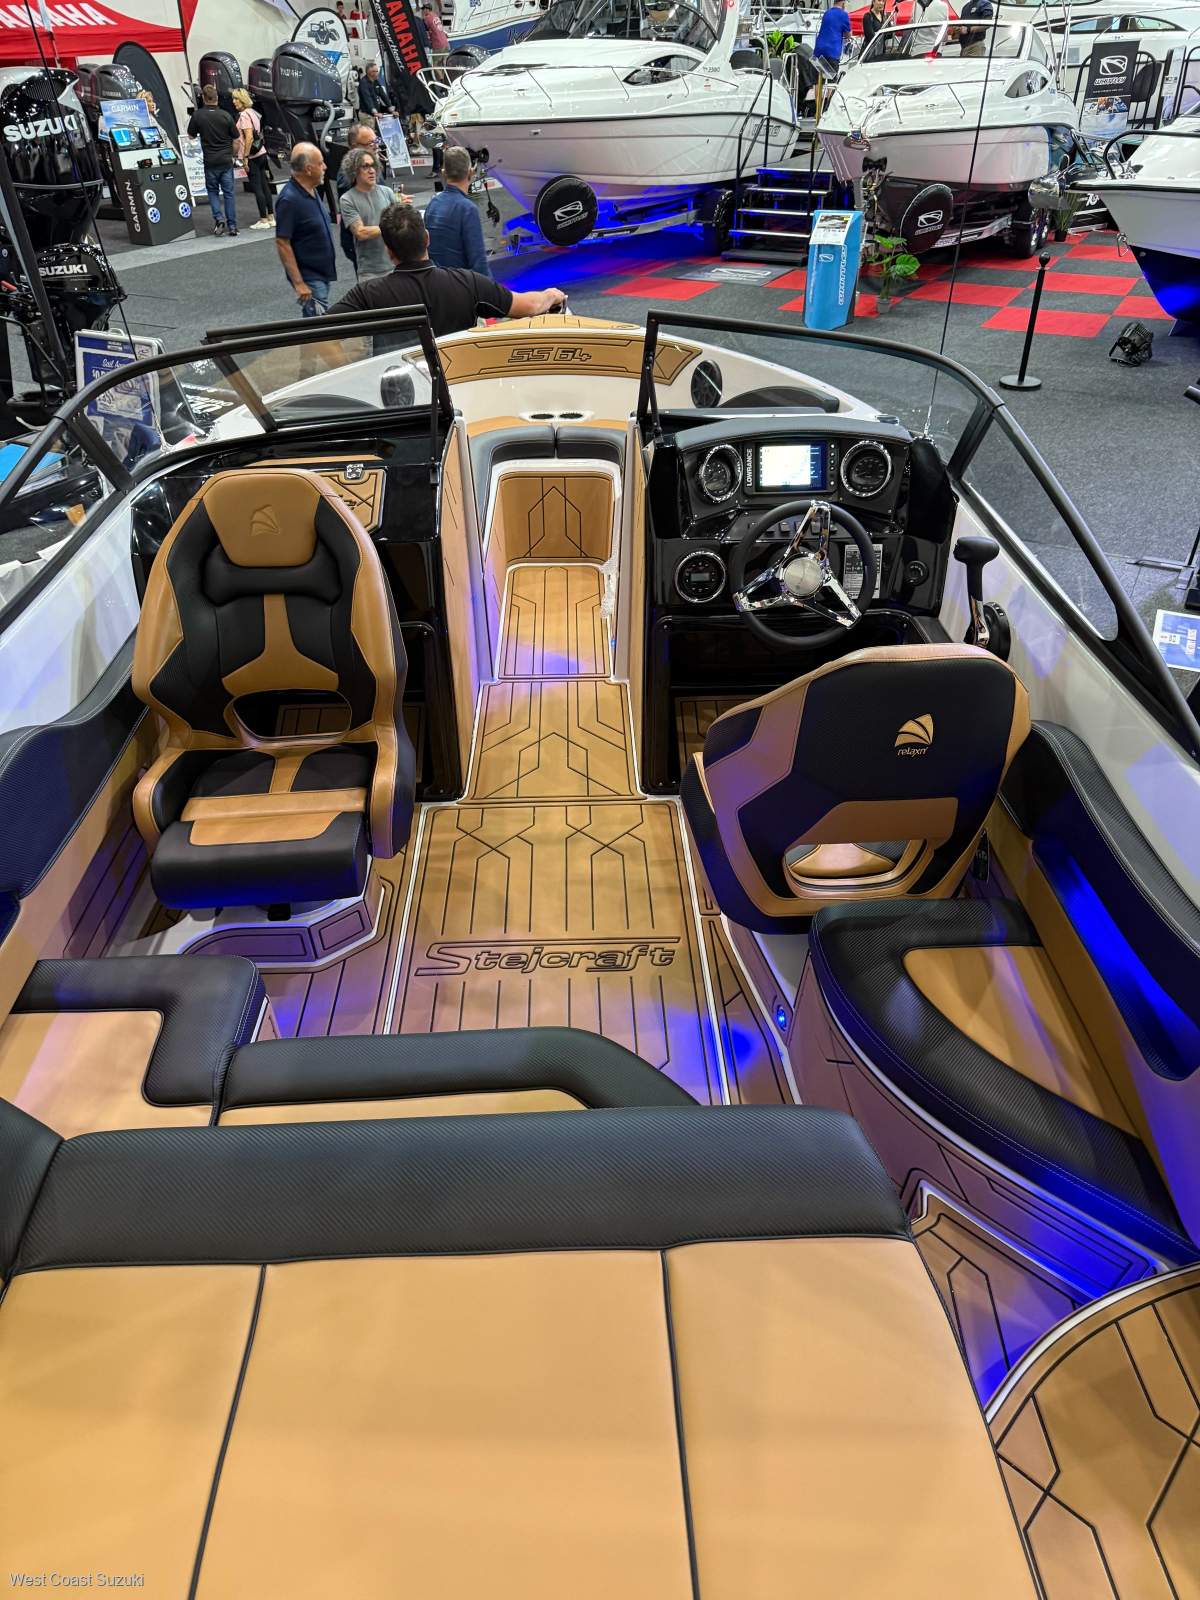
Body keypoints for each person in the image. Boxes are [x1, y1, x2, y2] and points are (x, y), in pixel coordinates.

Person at [328, 201, 566, 334]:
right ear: (427, 238)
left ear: (388, 250)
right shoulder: (467, 282)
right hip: (458, 387)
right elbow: (529, 306)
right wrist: (550, 295)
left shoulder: (367, 294)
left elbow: (320, 331)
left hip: (402, 396)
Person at [275, 143, 337, 316]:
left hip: (321, 274)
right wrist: (299, 283)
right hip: (310, 277)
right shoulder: (289, 200)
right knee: (318, 327)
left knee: (319, 324)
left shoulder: (310, 190)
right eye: (320, 163)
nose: (325, 167)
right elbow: (282, 243)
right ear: (308, 169)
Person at [423, 145, 489, 276]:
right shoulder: (467, 209)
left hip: (436, 281)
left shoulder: (433, 204)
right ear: (471, 172)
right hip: (461, 283)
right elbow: (479, 263)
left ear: (443, 172)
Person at [187, 83, 242, 238]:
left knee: (212, 191)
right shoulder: (226, 115)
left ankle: (219, 220)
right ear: (217, 97)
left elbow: (190, 135)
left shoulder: (198, 115)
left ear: (204, 98)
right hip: (226, 161)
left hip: (210, 161)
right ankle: (232, 226)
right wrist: (233, 155)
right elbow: (236, 140)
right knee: (229, 193)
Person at [339, 147, 402, 280]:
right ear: (354, 170)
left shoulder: (387, 192)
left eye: (373, 165)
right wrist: (391, 226)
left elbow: (402, 222)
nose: (372, 170)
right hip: (369, 272)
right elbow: (361, 233)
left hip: (396, 266)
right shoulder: (347, 199)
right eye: (365, 166)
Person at [231, 87, 274, 230]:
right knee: (265, 186)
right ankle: (271, 217)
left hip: (253, 156)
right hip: (261, 153)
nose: (234, 101)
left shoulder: (244, 115)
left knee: (257, 187)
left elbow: (249, 137)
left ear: (242, 100)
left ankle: (263, 220)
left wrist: (245, 157)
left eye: (236, 98)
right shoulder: (253, 112)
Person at [337, 123, 378, 268]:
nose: (375, 146)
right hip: (361, 244)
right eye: (370, 143)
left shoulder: (372, 162)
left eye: (376, 141)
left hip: (376, 240)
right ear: (355, 147)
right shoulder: (347, 176)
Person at [813, 0, 851, 72]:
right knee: (831, 78)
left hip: (819, 50)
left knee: (819, 77)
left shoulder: (827, 13)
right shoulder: (844, 15)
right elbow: (848, 35)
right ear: (843, 3)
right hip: (832, 51)